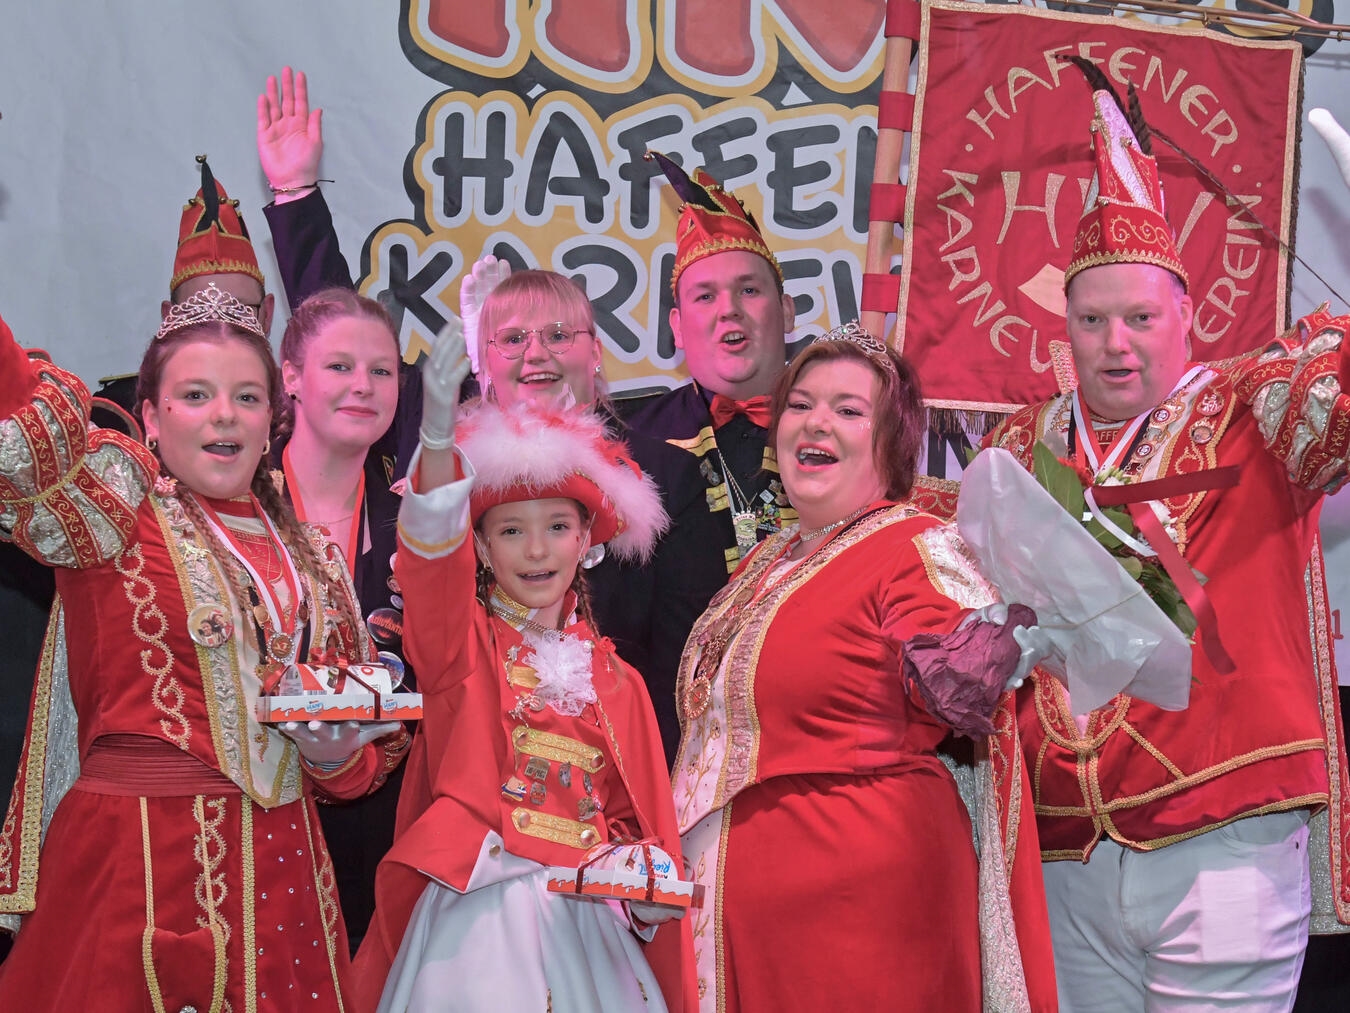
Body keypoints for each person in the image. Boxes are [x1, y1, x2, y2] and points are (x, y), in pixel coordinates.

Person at [983, 84, 1350, 1011]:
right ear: (1061, 326)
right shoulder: (1017, 447)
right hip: (1065, 847)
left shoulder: (1250, 408)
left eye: (1140, 317)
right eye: (1091, 319)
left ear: (1186, 315)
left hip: (1221, 840)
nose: (1115, 344)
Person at [0, 286, 408, 1010]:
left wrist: (332, 753)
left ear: (272, 419)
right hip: (138, 868)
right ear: (151, 417)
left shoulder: (311, 557)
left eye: (247, 397)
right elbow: (23, 425)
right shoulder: (117, 509)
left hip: (284, 879)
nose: (225, 414)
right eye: (196, 394)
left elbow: (364, 763)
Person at [672, 325, 1056, 1011]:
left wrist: (972, 657)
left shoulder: (912, 544)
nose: (817, 420)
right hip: (744, 944)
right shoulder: (770, 560)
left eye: (849, 409)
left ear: (892, 441)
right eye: (801, 403)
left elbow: (951, 654)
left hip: (857, 942)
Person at [352, 322, 693, 1012]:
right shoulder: (462, 649)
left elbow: (636, 830)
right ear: (477, 547)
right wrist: (440, 441)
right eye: (511, 529)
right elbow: (429, 574)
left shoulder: (620, 683)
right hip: (476, 916)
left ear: (586, 540)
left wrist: (646, 895)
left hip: (590, 930)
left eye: (557, 526)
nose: (536, 549)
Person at [273, 286, 412, 951]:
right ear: (290, 376)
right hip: (257, 822)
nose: (364, 385)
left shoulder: (419, 522)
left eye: (381, 370)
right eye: (340, 366)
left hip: (389, 838)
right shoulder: (233, 508)